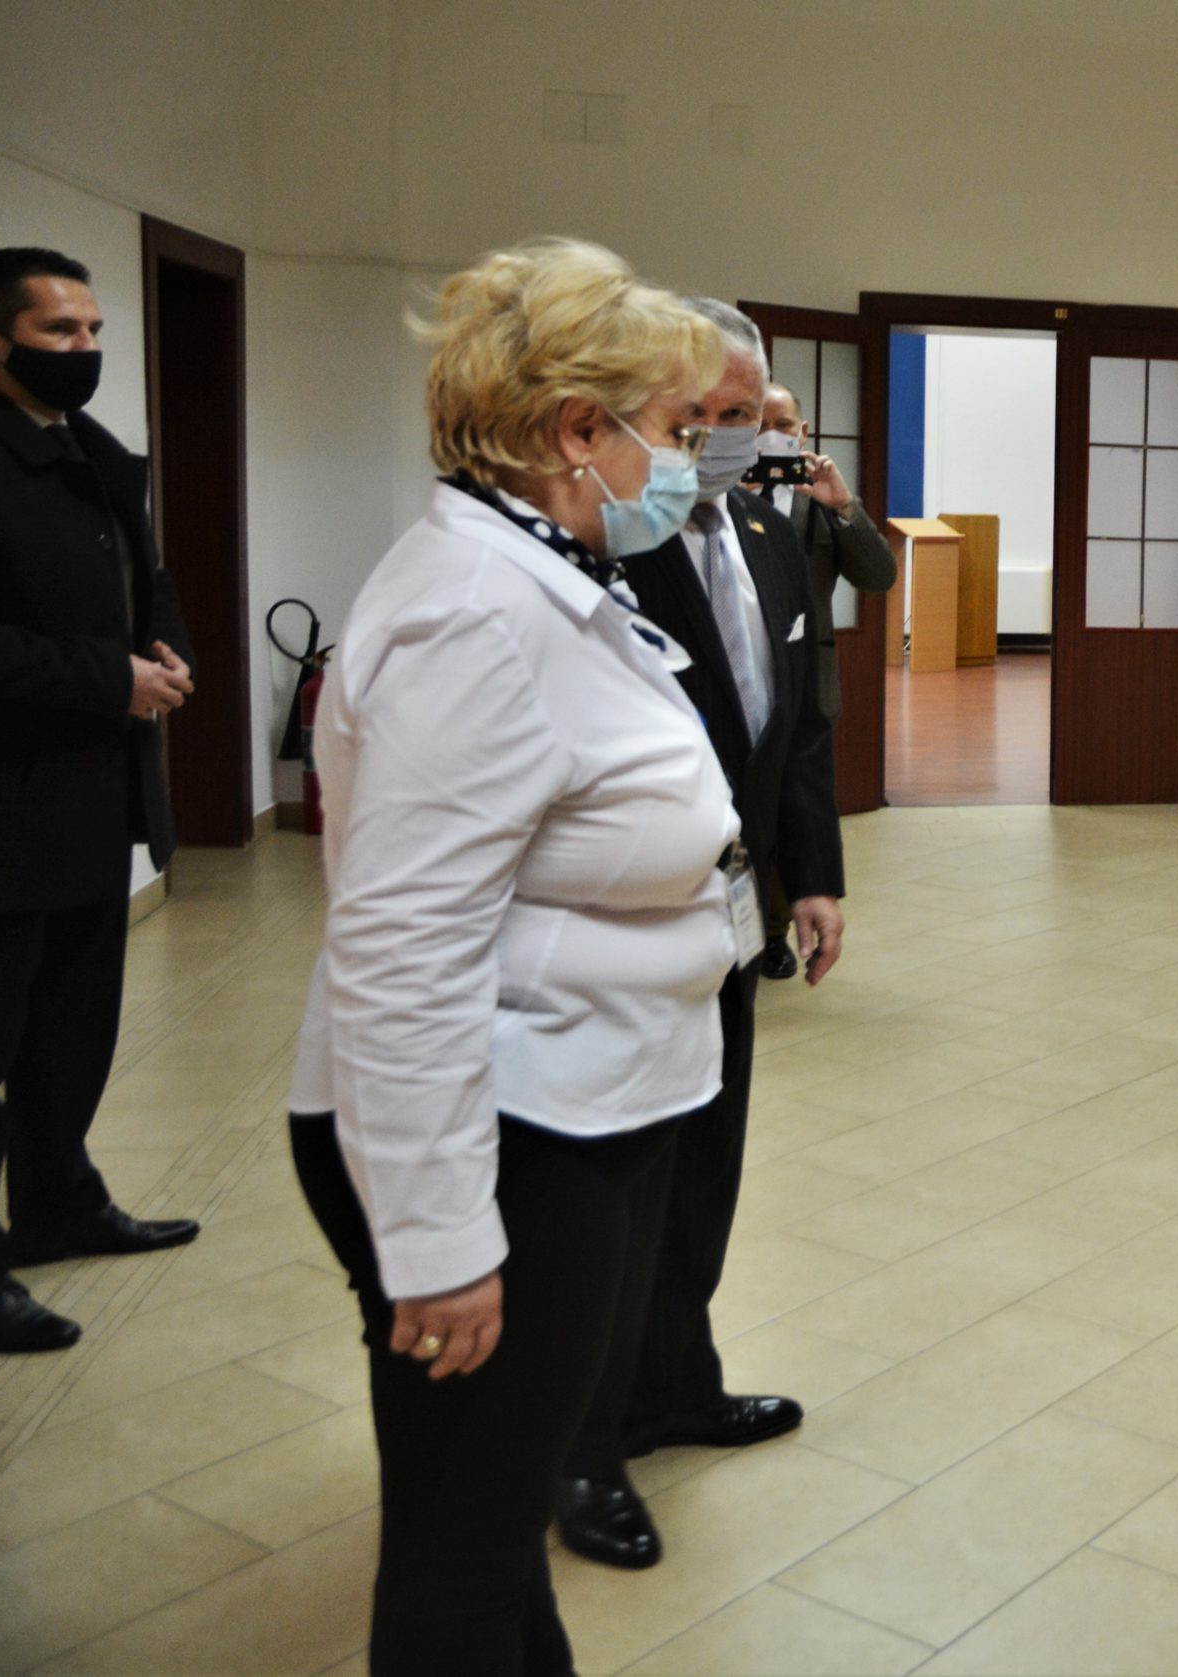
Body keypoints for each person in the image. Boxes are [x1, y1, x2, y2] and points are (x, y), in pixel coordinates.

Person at [283, 238, 736, 1672]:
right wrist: (437, 1243)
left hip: (579, 1103)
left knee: (485, 1507)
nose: (688, 462)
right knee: (466, 1550)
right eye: (672, 430)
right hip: (503, 1137)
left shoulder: (543, 572)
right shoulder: (469, 615)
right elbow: (402, 951)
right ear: (574, 433)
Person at [553, 301, 848, 1572]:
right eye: (700, 419)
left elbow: (796, 728)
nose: (723, 441)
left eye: (743, 416)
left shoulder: (776, 539)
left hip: (729, 914)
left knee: (708, 1161)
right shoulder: (598, 551)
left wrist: (811, 878)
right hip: (617, 922)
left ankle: (677, 1378)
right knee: (615, 1185)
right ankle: (577, 1440)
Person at [0, 247, 202, 1356]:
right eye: (60, 333)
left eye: (95, 332)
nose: (86, 352)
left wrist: (167, 647)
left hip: (91, 801)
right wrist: (107, 679)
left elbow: (148, 579)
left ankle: (61, 1202)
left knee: (74, 1026)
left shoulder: (93, 449)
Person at [748, 380, 895, 979]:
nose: (770, 437)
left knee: (799, 809)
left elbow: (879, 576)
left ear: (802, 434)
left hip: (809, 684)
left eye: (782, 426)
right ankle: (736, 926)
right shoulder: (718, 500)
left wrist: (844, 505)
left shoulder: (820, 501)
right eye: (756, 425)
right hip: (743, 680)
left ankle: (776, 930)